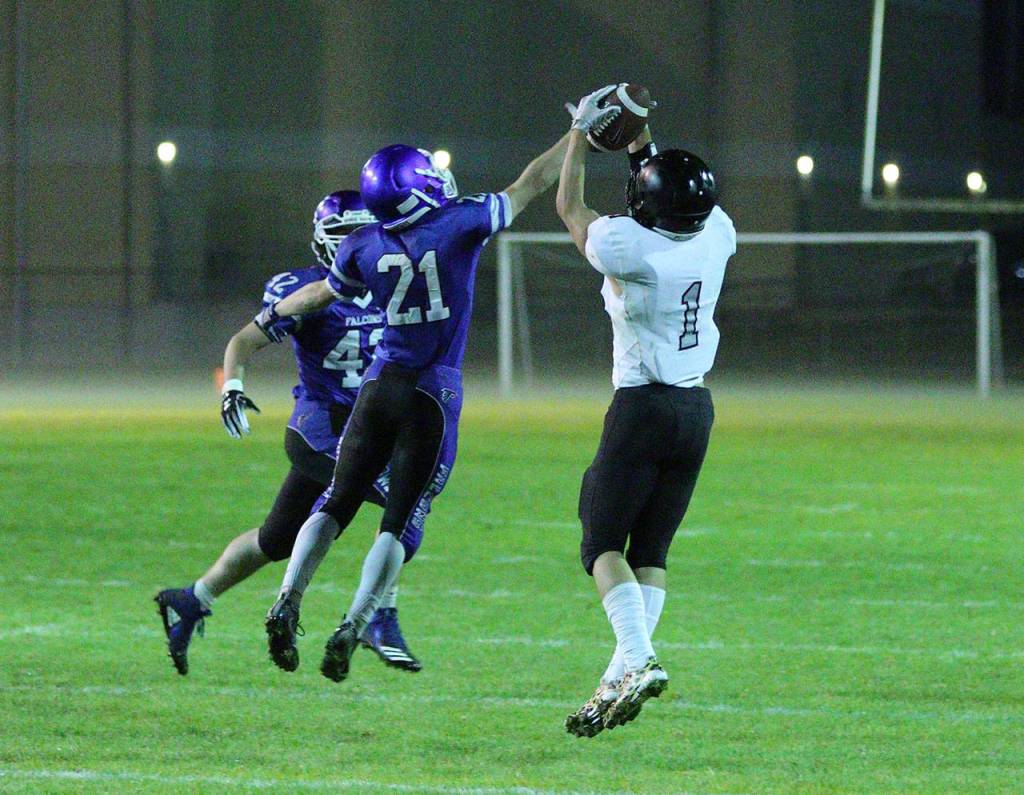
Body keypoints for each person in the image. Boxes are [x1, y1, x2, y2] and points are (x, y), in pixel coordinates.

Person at [257, 134, 571, 682]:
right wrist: (579, 132)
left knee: (337, 500)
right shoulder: (459, 222)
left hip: (380, 383)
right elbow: (534, 182)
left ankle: (287, 598)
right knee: (399, 520)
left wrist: (269, 318)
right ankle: (354, 625)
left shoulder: (361, 246)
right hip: (433, 390)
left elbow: (322, 294)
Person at [154, 191, 421, 675]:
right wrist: (232, 386)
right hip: (322, 428)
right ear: (322, 242)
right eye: (343, 235)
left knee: (275, 539)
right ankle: (379, 617)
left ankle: (191, 599)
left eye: (360, 233)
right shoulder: (305, 290)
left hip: (368, 427)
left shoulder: (392, 281)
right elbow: (245, 339)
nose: (353, 243)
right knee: (403, 499)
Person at [555, 86, 736, 735]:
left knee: (601, 541)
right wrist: (639, 141)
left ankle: (637, 657)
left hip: (641, 406)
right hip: (696, 408)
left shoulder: (629, 246)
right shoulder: (718, 230)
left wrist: (580, 135)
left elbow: (569, 208)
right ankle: (620, 673)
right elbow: (663, 196)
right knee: (651, 548)